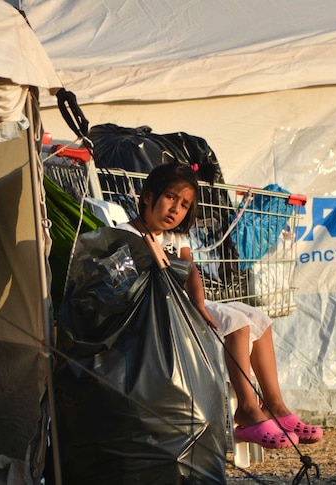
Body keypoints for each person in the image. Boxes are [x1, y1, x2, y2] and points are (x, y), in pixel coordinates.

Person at [117, 162, 323, 449]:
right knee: (237, 325)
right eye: (170, 198)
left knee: (258, 318)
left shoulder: (176, 237)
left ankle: (275, 405)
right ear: (148, 196)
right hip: (161, 310)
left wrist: (199, 302)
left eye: (185, 204)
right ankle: (247, 410)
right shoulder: (127, 233)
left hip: (185, 304)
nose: (176, 209)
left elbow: (190, 271)